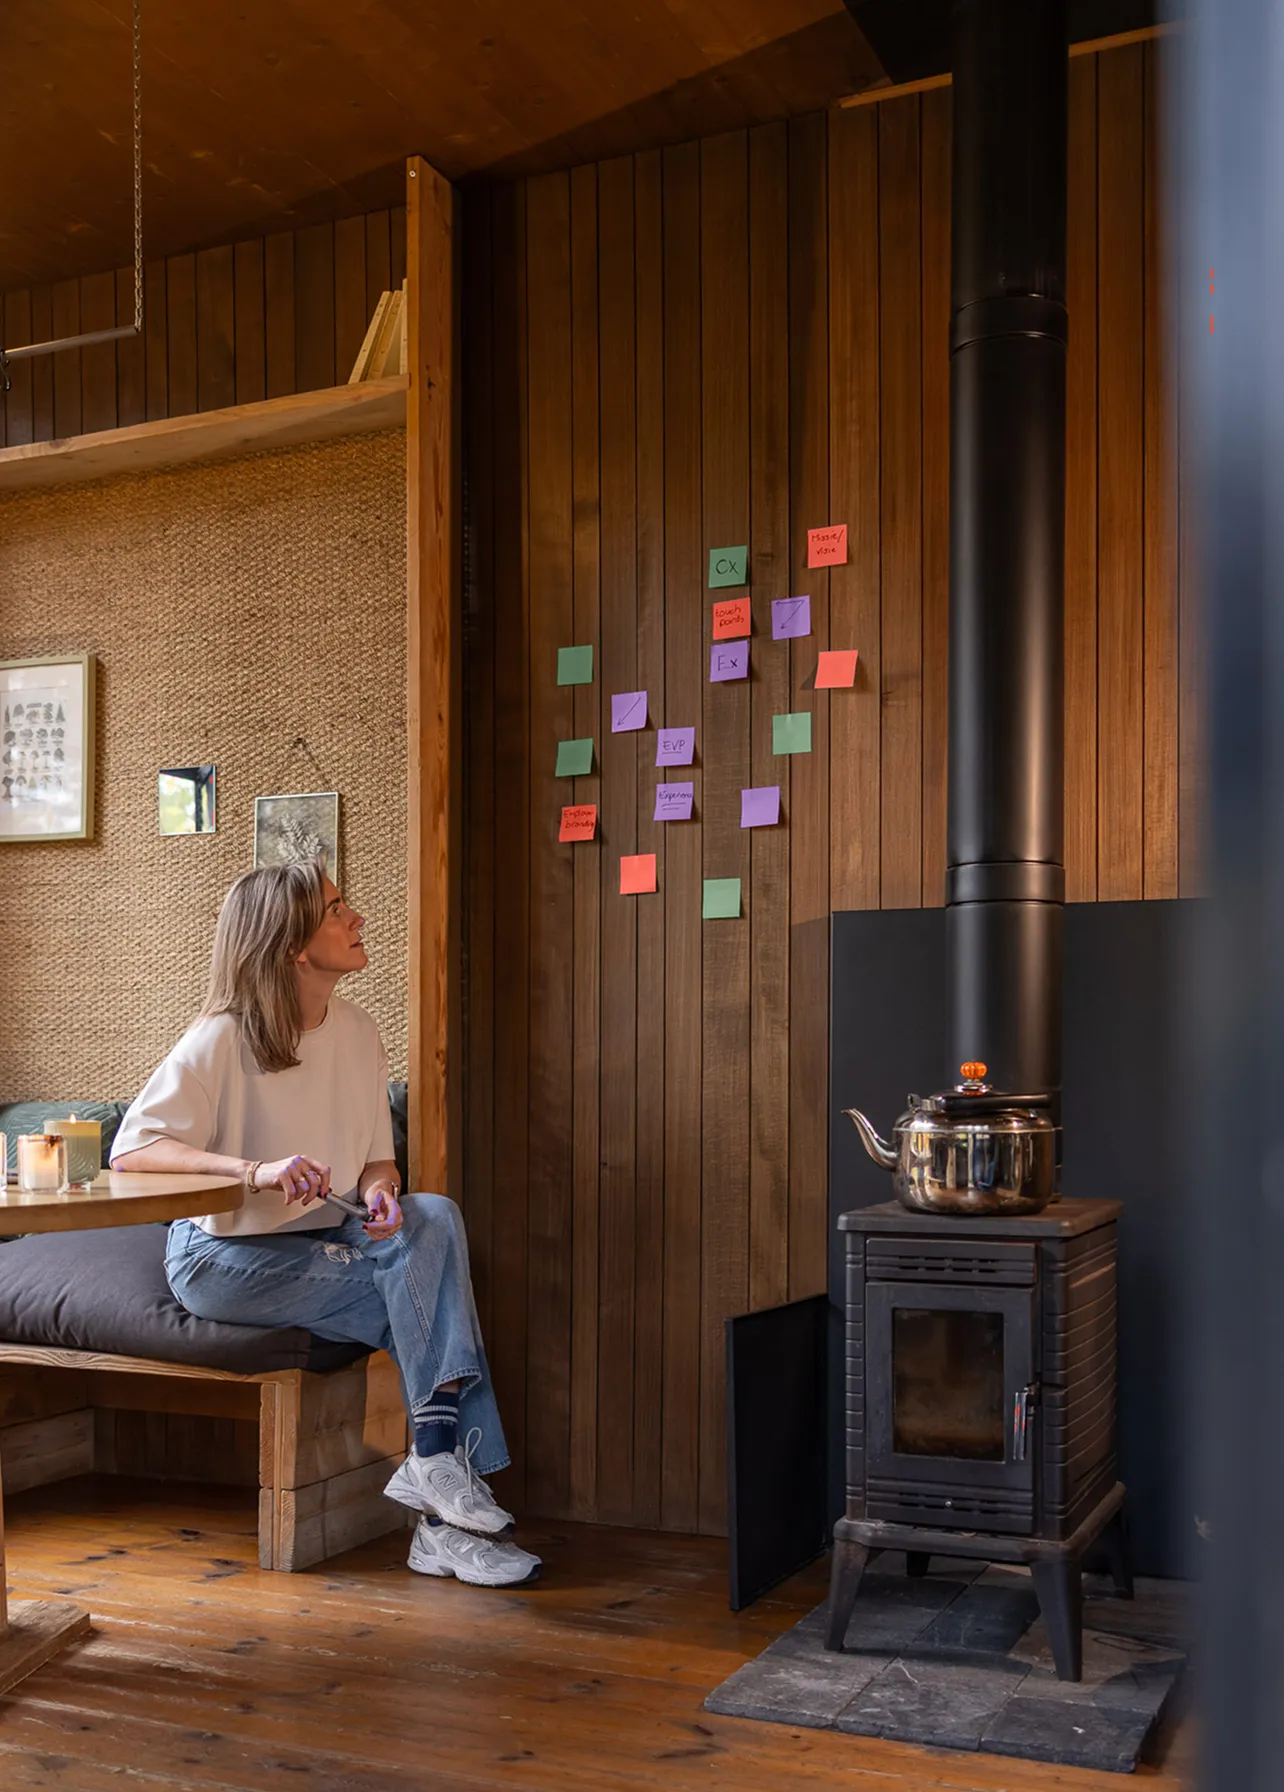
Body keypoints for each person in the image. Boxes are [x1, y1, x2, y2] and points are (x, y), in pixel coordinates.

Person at [112, 859, 538, 1588]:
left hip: (325, 1241)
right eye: (338, 910)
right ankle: (440, 1503)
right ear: (290, 946)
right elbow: (134, 1148)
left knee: (432, 1218)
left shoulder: (358, 1031)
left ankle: (434, 1471)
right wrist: (255, 1172)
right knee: (428, 1299)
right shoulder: (222, 1038)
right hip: (224, 1261)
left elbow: (378, 1162)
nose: (357, 918)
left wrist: (381, 1195)